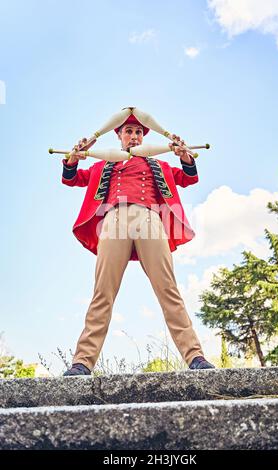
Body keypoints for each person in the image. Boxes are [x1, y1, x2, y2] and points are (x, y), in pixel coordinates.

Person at [61, 114, 215, 375]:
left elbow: (187, 177)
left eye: (138, 133)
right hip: (113, 220)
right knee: (103, 292)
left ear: (144, 137)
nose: (134, 136)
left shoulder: (159, 165)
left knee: (168, 289)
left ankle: (195, 356)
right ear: (119, 136)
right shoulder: (103, 165)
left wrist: (184, 155)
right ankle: (82, 362)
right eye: (128, 131)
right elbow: (73, 179)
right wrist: (72, 160)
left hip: (150, 218)